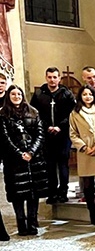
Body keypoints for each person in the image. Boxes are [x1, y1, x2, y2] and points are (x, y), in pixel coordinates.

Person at [0, 85, 48, 236]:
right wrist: (19, 153)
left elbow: (40, 134)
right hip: (14, 160)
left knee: (33, 192)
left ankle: (32, 222)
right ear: (8, 96)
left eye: (19, 94)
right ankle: (21, 223)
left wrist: (31, 152)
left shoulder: (33, 112)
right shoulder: (3, 114)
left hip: (34, 159)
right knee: (18, 193)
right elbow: (4, 138)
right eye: (13, 94)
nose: (16, 97)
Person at [30, 67, 75, 204]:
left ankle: (63, 192)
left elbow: (72, 114)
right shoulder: (39, 94)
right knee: (49, 165)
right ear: (46, 78)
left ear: (59, 78)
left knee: (62, 164)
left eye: (55, 77)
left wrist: (60, 126)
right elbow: (34, 113)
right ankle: (52, 193)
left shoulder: (67, 94)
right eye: (49, 77)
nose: (52, 80)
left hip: (63, 135)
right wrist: (46, 126)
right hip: (46, 135)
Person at [69, 86, 95, 226]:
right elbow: (73, 133)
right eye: (84, 94)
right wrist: (84, 147)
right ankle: (93, 213)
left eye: (90, 94)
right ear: (80, 97)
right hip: (85, 152)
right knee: (88, 185)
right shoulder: (75, 113)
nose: (88, 97)